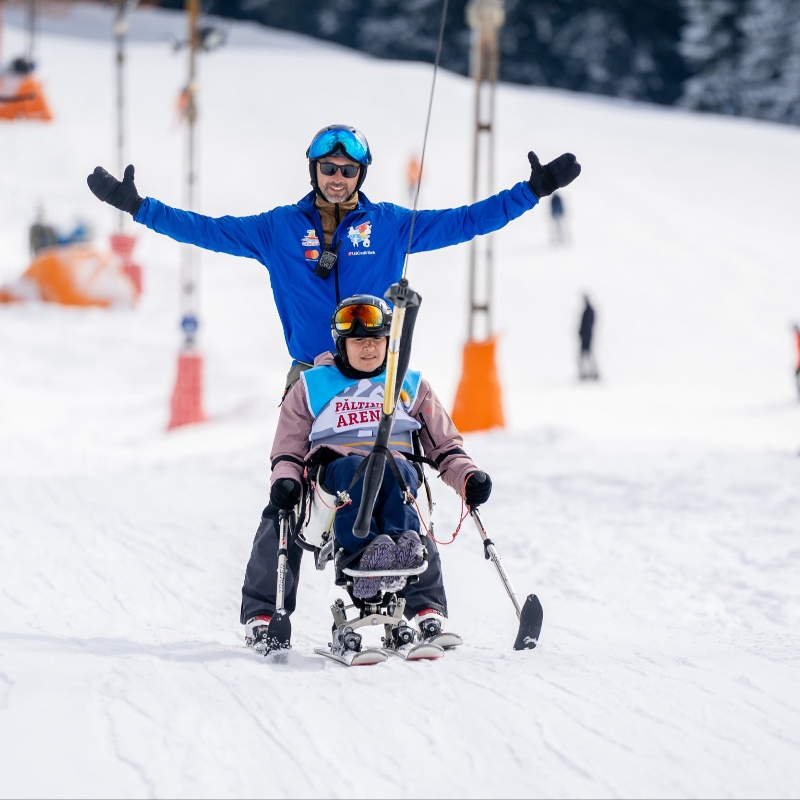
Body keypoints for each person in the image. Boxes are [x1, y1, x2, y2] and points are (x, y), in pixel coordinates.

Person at [86, 124, 581, 392]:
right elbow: (206, 230)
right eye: (328, 168)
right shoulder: (276, 228)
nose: (337, 177)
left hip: (377, 370)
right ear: (314, 170)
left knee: (407, 476)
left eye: (347, 169)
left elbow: (465, 220)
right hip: (311, 374)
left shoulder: (388, 224)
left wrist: (531, 192)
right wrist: (138, 207)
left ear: (360, 174)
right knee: (286, 488)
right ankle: (275, 575)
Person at [240, 294, 493, 649]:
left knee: (403, 482)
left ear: (389, 342)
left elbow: (445, 446)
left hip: (396, 469)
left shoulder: (410, 385)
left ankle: (423, 603)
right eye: (359, 340)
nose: (369, 348)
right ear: (342, 344)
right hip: (336, 477)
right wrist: (285, 479)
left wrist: (467, 476)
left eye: (377, 339)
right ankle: (267, 613)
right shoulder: (312, 386)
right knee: (285, 511)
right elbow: (288, 448)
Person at [579, 295, 598, 381]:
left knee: (587, 354)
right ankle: (585, 372)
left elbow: (588, 324)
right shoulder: (588, 311)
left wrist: (584, 332)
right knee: (584, 355)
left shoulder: (589, 311)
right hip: (585, 336)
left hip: (587, 336)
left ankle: (592, 372)